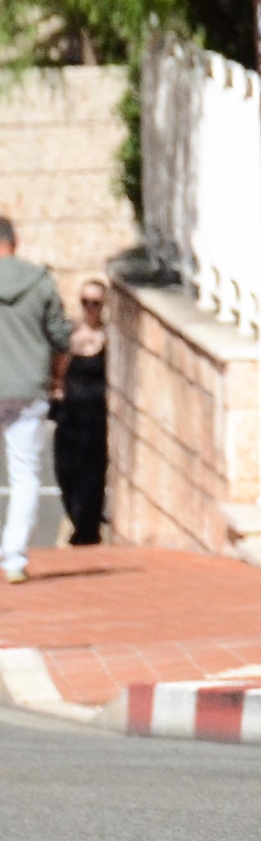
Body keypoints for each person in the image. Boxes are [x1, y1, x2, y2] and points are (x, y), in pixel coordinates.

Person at [0, 218, 70, 583]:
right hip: (28, 388)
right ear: (16, 241)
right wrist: (57, 377)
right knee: (25, 472)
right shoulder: (40, 282)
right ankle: (13, 558)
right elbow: (61, 337)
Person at [54, 279, 107, 546]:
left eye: (95, 303)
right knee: (66, 470)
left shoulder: (108, 339)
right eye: (85, 302)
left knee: (92, 474)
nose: (90, 309)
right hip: (70, 416)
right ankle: (77, 519)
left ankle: (87, 529)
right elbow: (56, 372)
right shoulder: (69, 336)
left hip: (96, 419)